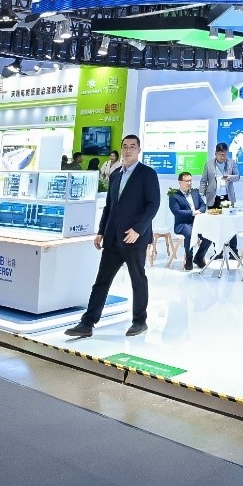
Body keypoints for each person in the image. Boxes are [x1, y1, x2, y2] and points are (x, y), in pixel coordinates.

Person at [65, 135, 160, 339]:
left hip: (134, 238)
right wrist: (101, 231)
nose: (128, 150)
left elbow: (153, 205)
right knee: (101, 281)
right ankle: (87, 323)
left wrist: (138, 230)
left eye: (132, 147)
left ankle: (139, 321)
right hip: (113, 238)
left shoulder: (147, 174)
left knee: (138, 280)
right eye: (125, 146)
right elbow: (109, 207)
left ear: (139, 150)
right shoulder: (116, 175)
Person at [169, 171, 211, 270]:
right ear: (180, 182)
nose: (189, 183)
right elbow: (177, 212)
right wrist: (193, 213)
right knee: (190, 233)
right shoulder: (174, 195)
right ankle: (189, 258)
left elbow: (203, 205)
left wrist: (200, 211)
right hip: (182, 224)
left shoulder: (195, 192)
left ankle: (199, 257)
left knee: (209, 235)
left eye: (190, 181)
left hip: (197, 223)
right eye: (187, 181)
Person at [200, 142, 240, 208]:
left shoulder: (231, 162)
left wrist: (230, 177)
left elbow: (237, 177)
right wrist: (201, 194)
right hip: (212, 198)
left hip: (228, 197)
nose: (223, 157)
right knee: (212, 214)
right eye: (221, 154)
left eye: (225, 154)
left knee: (227, 215)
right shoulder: (208, 164)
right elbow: (203, 181)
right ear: (216, 153)